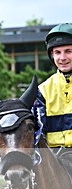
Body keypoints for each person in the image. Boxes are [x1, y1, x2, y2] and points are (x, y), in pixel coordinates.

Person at [32, 23, 72, 172]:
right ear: (52, 55)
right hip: (54, 159)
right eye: (57, 52)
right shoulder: (42, 90)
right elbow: (37, 134)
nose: (62, 58)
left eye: (68, 51)